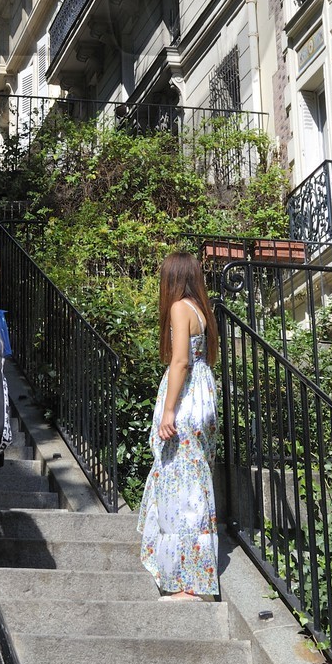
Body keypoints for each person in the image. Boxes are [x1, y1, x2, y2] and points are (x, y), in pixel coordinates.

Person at [137, 251, 219, 599]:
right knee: (193, 486)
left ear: (171, 278)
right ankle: (192, 577)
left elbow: (180, 361)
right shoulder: (200, 309)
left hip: (185, 400)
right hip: (203, 396)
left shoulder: (178, 308)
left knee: (181, 491)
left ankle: (188, 583)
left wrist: (168, 410)